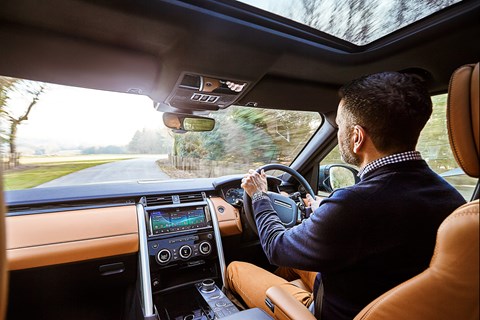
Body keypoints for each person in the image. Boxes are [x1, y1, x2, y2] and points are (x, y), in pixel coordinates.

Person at [225, 72, 466, 320]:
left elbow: (276, 246)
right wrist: (326, 214)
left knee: (235, 269)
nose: (339, 131)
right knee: (289, 264)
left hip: (333, 312)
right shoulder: (455, 202)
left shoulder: (354, 207)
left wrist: (259, 197)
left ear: (356, 137)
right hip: (383, 300)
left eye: (339, 126)